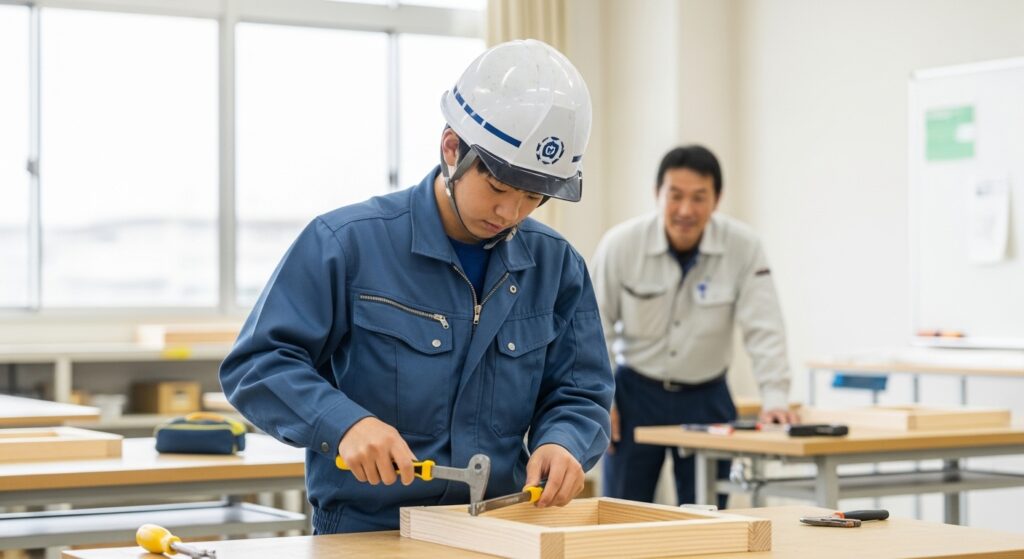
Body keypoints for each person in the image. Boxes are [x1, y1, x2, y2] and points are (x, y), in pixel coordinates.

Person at [220, 39, 612, 534]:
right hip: (367, 530)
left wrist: (565, 442)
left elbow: (580, 390)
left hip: (498, 530)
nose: (510, 213)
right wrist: (343, 423)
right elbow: (257, 363)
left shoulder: (555, 266)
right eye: (498, 188)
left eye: (533, 196)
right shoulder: (347, 244)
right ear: (452, 149)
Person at [592, 145, 796, 507]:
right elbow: (594, 328)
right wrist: (600, 400)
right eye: (676, 196)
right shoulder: (621, 245)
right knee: (621, 513)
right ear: (657, 195)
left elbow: (765, 326)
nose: (686, 210)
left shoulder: (743, 247)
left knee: (708, 517)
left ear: (716, 200)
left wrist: (776, 397)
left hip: (707, 397)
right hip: (635, 394)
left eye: (699, 198)